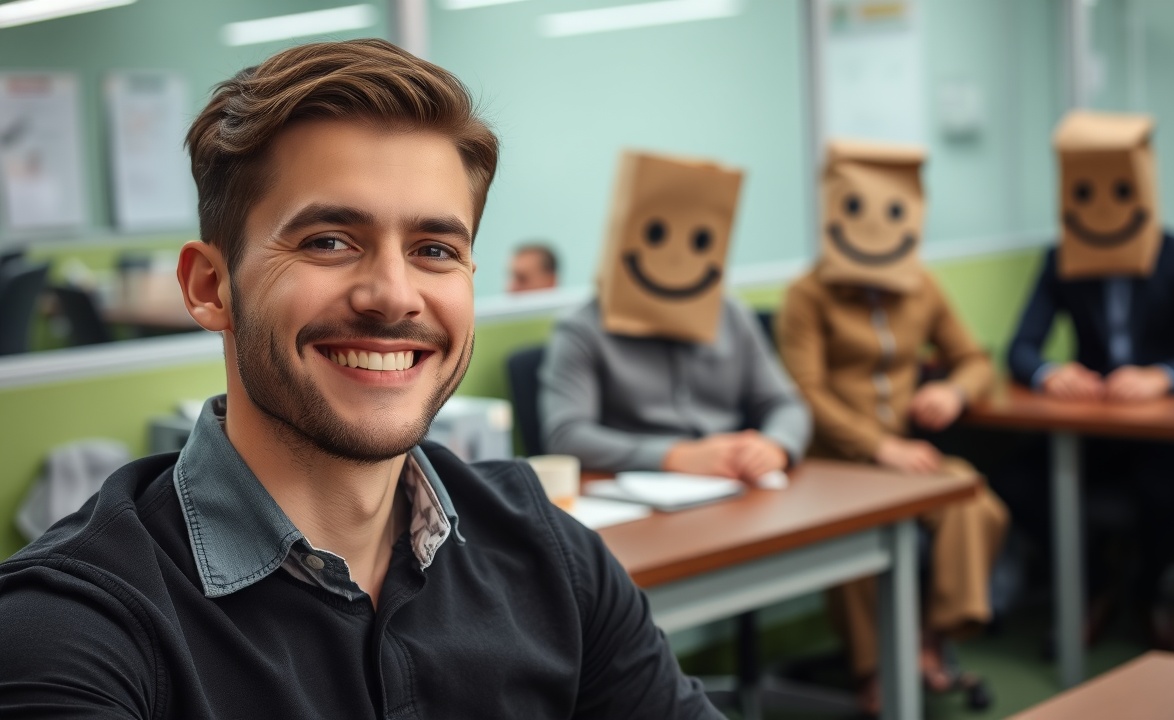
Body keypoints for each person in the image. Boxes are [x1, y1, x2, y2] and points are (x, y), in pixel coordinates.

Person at [0, 40, 720, 719]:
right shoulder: (71, 628)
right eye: (329, 241)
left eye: (434, 248)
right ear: (211, 287)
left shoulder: (552, 557)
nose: (393, 294)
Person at [776, 140, 1007, 713]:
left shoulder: (920, 285)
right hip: (834, 458)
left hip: (907, 453)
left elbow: (975, 359)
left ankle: (931, 638)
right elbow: (806, 391)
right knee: (859, 531)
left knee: (979, 506)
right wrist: (877, 445)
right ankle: (873, 669)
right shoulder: (807, 294)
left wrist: (952, 390)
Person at [1000, 110, 1174, 651]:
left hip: (1164, 433)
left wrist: (1164, 377)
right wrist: (1048, 371)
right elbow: (1020, 348)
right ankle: (1097, 587)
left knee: (1165, 487)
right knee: (1016, 481)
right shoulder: (1062, 259)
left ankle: (1150, 596)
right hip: (1094, 428)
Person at [541, 149, 809, 484]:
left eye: (700, 241)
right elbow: (566, 435)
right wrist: (676, 456)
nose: (676, 259)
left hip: (737, 487)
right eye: (655, 235)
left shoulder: (733, 315)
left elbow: (786, 405)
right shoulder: (581, 328)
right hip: (643, 495)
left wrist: (774, 446)